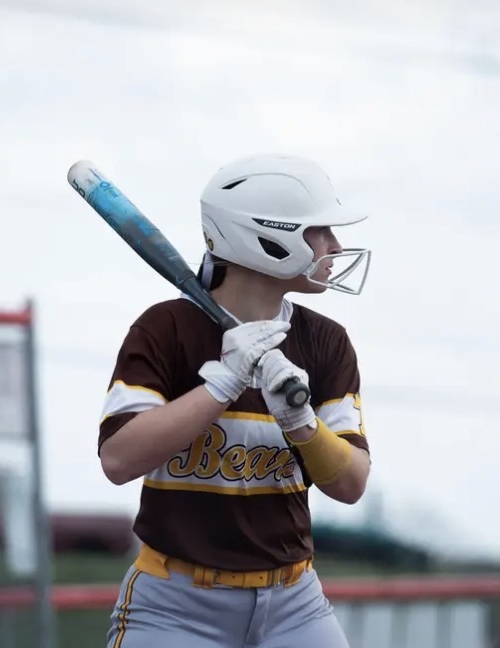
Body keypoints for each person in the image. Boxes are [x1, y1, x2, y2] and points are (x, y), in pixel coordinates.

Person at [97, 153, 374, 648]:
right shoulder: (167, 329)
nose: (335, 246)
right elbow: (118, 459)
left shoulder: (325, 341)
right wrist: (221, 385)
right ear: (268, 236)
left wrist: (301, 423)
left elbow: (351, 483)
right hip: (174, 604)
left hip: (295, 602)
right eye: (321, 232)